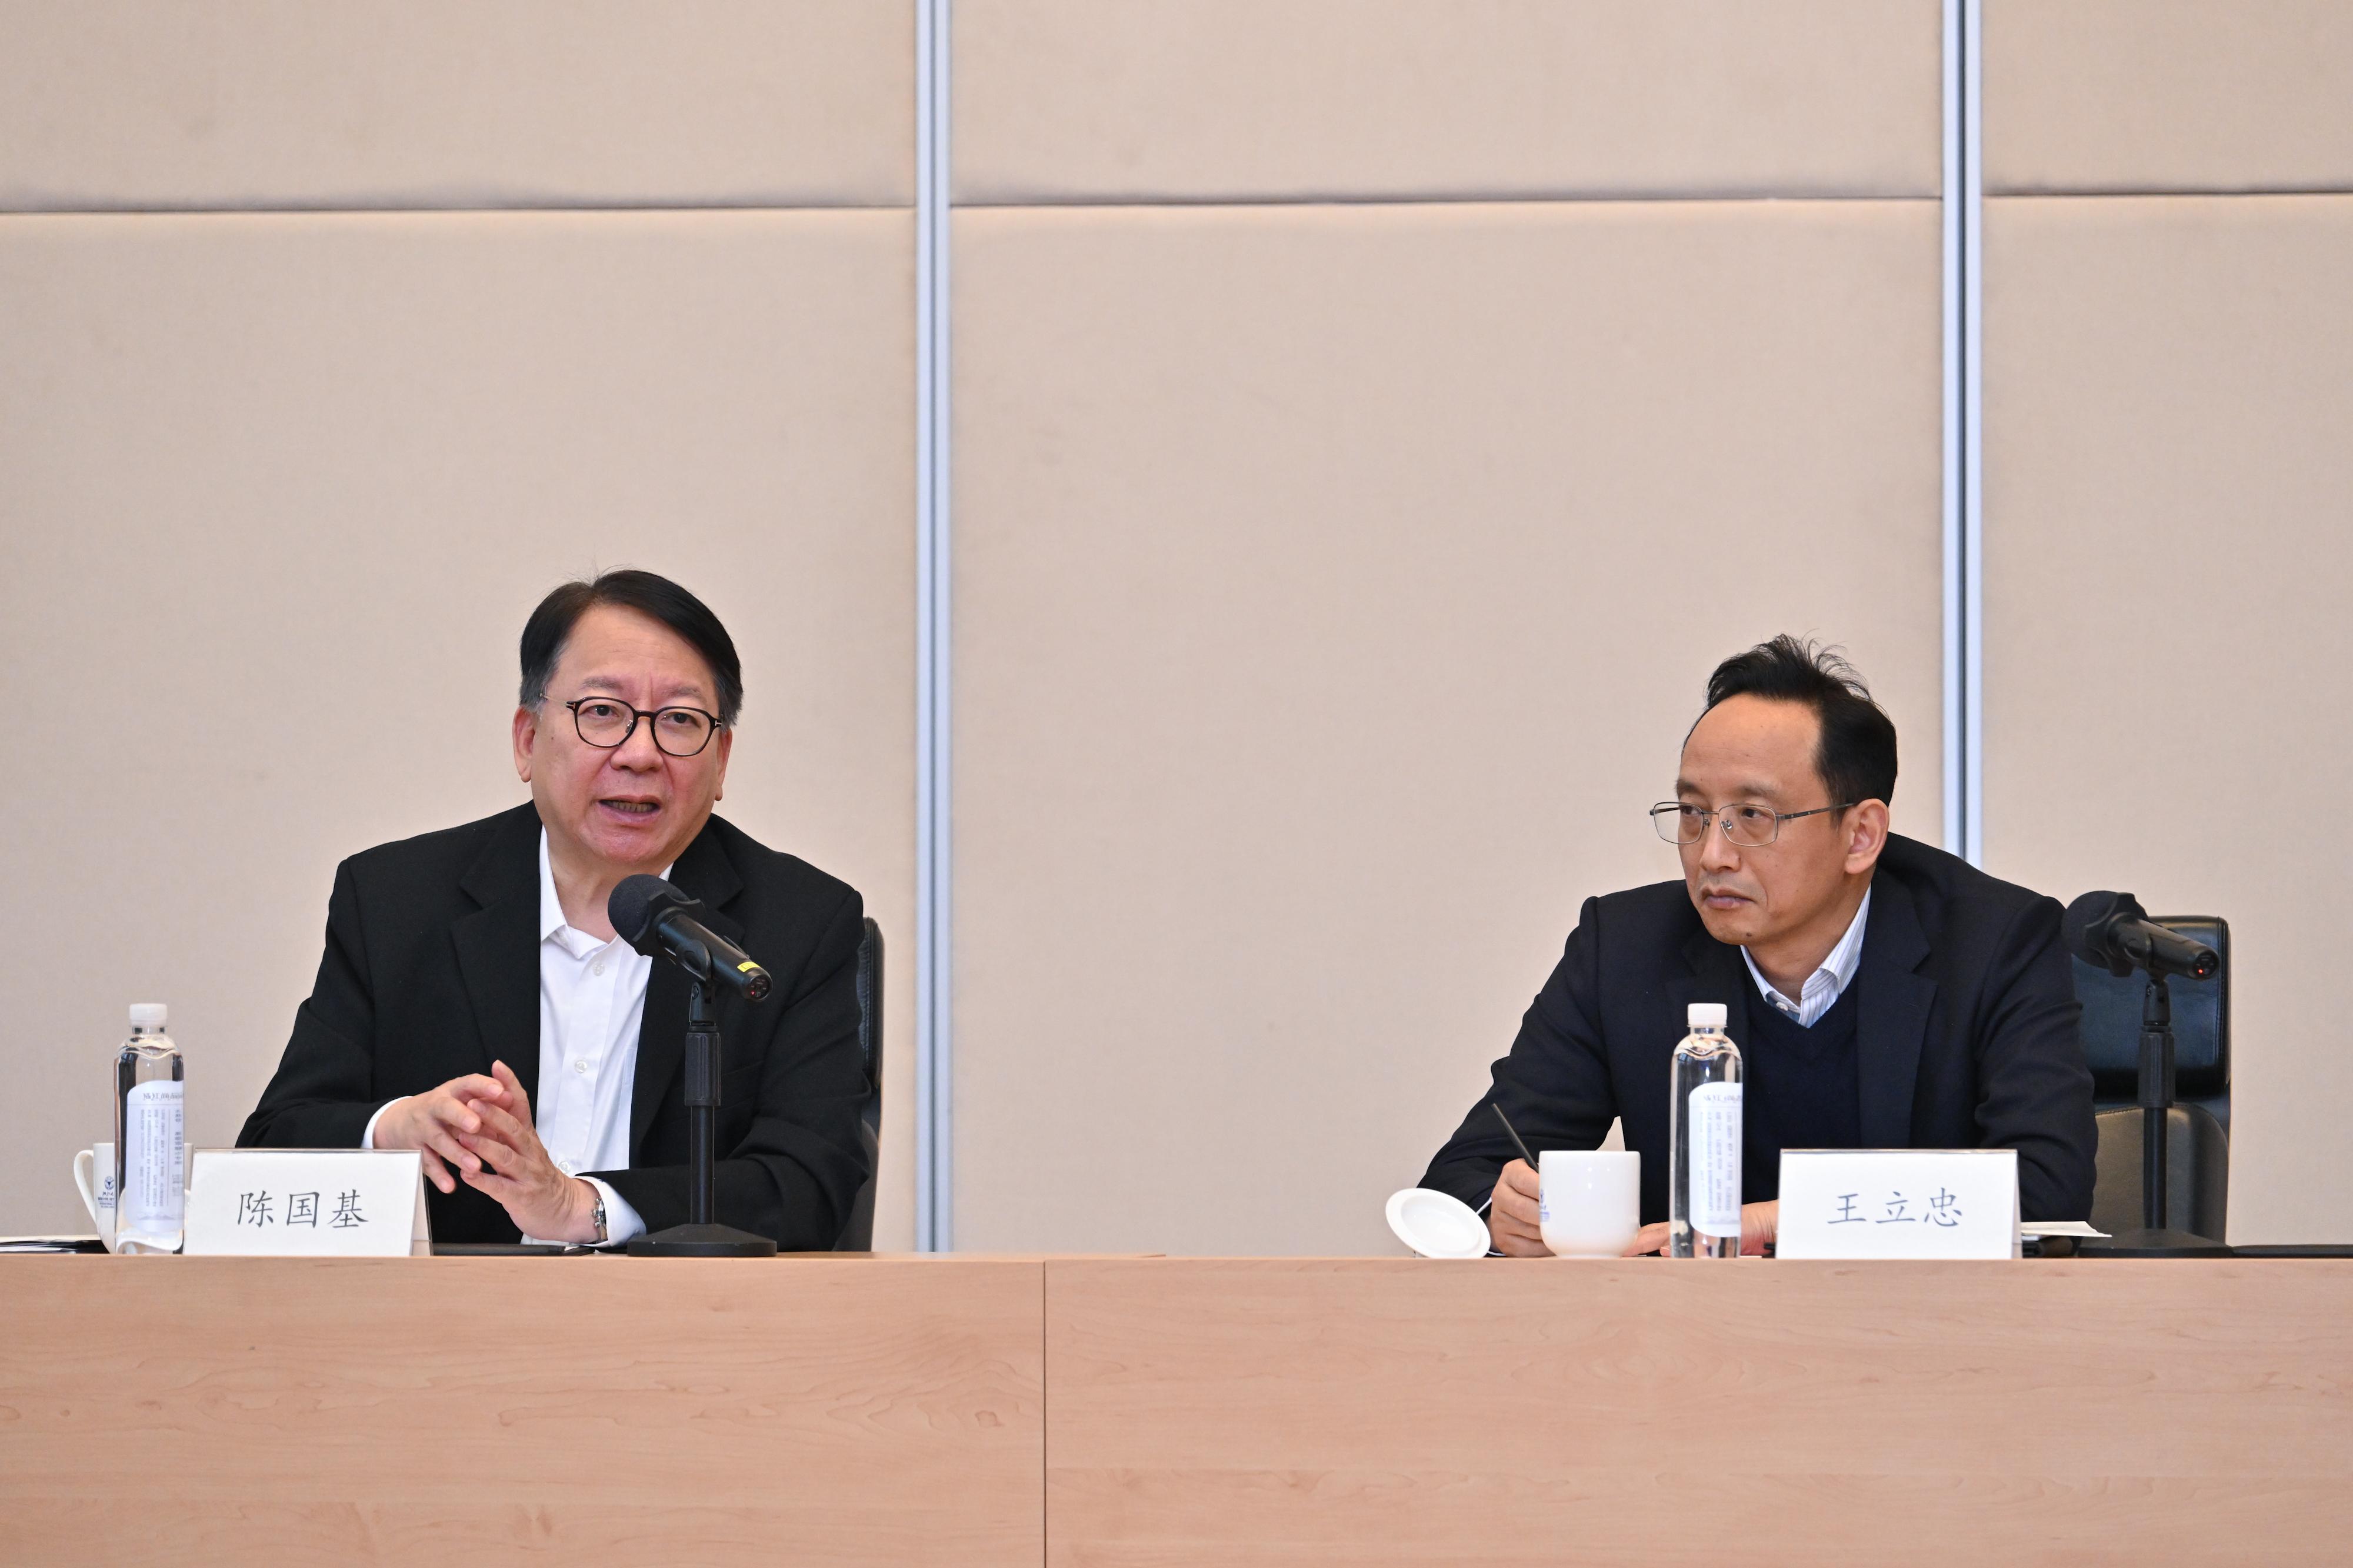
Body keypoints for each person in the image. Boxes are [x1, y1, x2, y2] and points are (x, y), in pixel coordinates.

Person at [241, 570, 870, 1249]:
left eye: (681, 721)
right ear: (526, 739)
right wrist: (393, 1128)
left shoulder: (798, 923)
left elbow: (810, 1182)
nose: (640, 754)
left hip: (685, 1332)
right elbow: (277, 1140)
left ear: (720, 763)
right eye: (602, 711)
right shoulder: (396, 901)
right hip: (441, 1332)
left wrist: (584, 1206)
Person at [1421, 636, 2095, 1256]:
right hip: (1690, 1353)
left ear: (1860, 835)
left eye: (1753, 816)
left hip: (1924, 1344)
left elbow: (2042, 1195)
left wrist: (1772, 1222)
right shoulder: (1622, 948)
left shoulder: (1995, 941)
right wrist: (1496, 1211)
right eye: (1692, 813)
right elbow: (1464, 1174)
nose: (1712, 854)